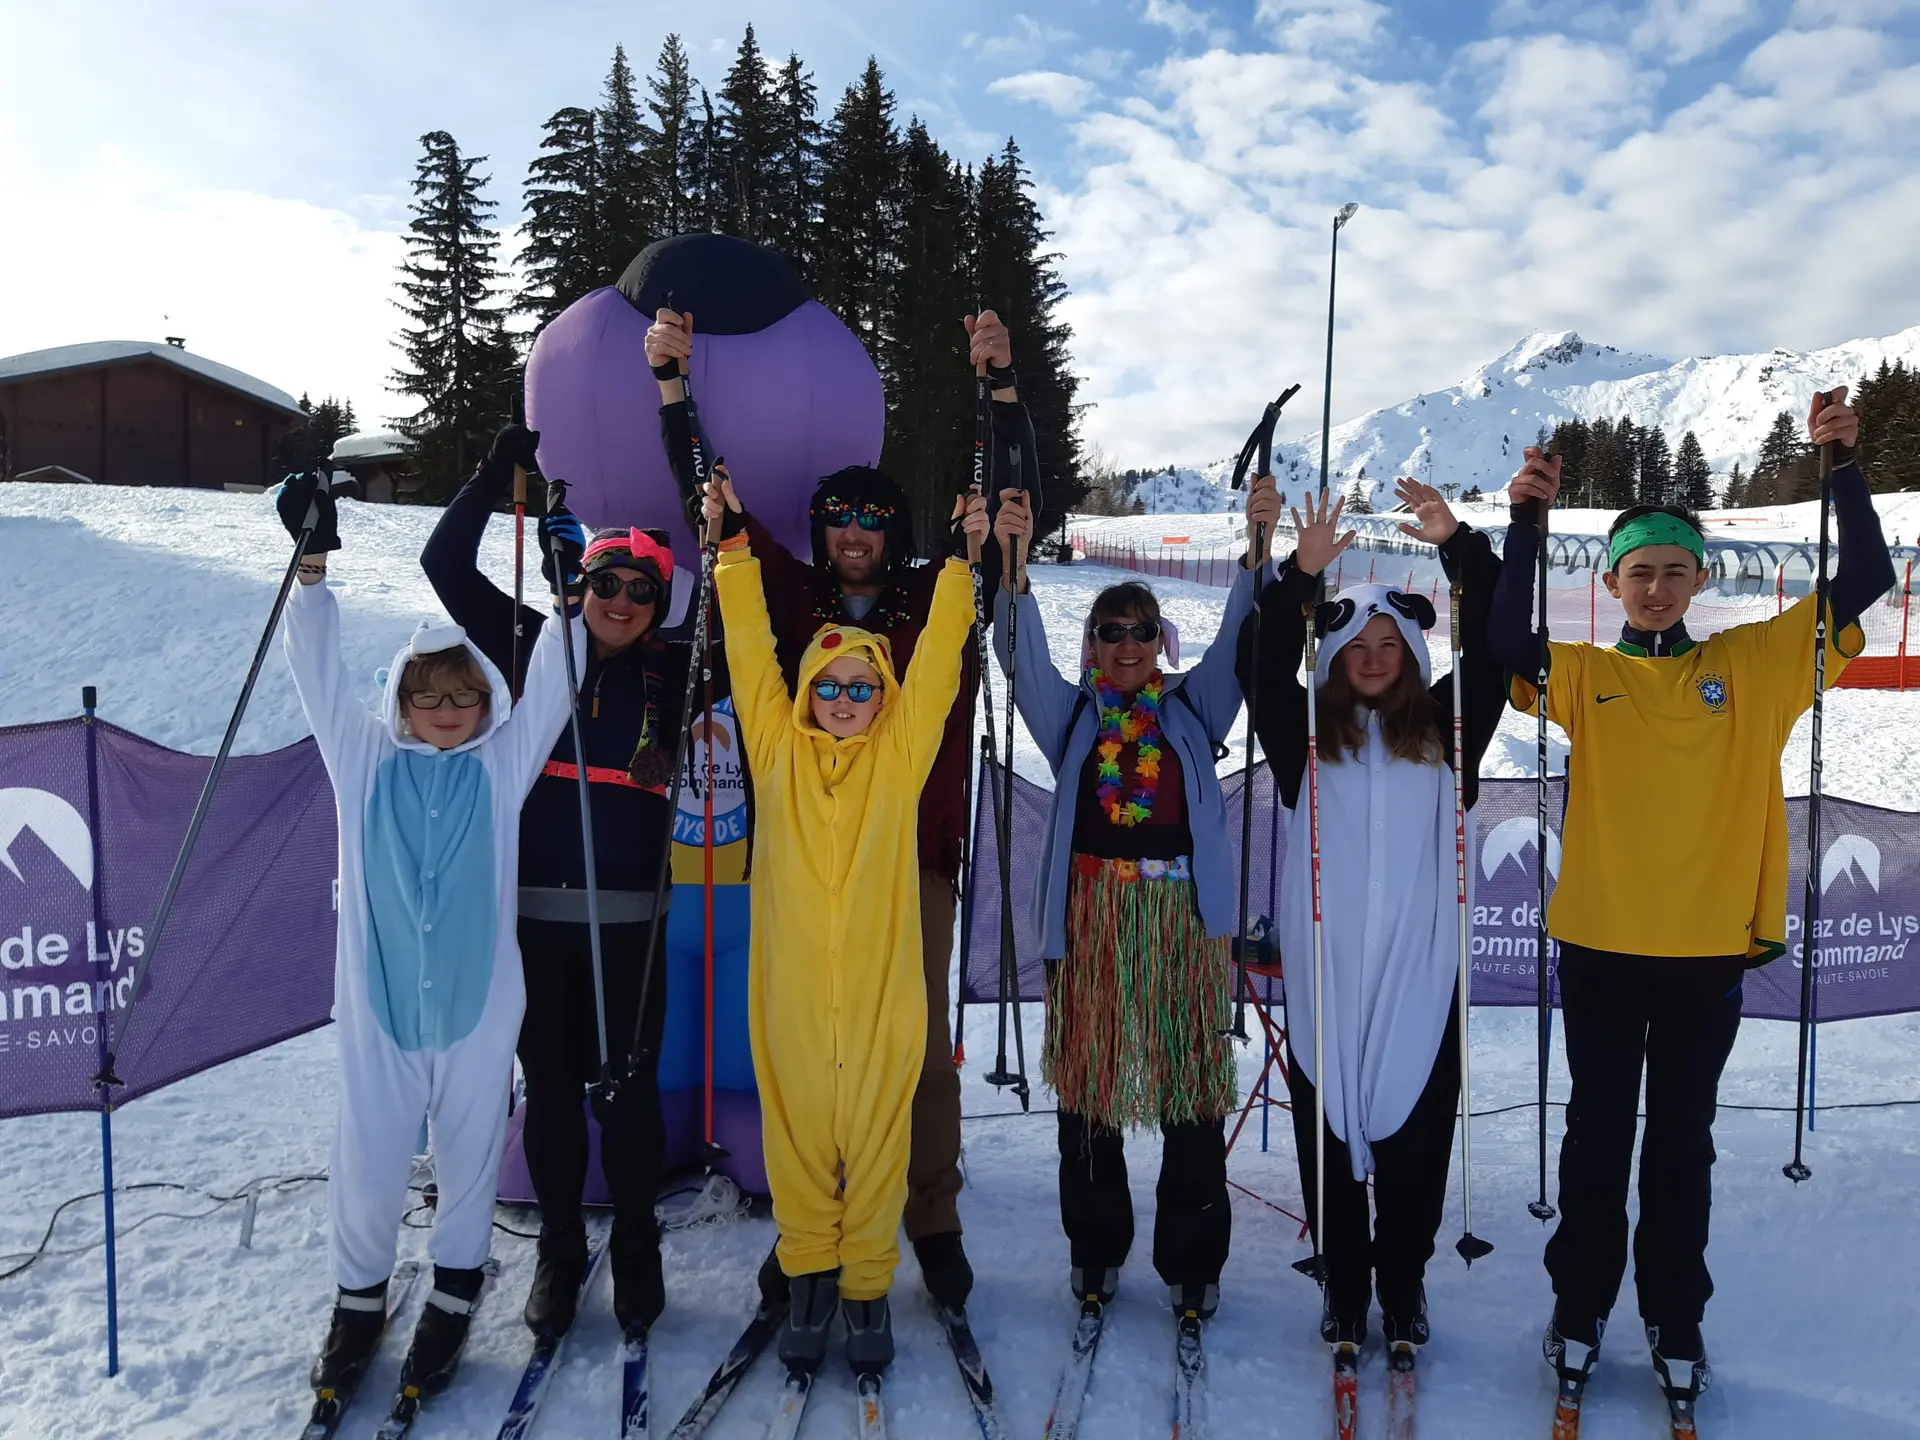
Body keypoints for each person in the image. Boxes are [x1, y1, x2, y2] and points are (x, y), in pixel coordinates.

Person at [1487, 388, 1895, 1407]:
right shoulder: (1587, 675)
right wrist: (1527, 520)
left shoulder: (1755, 664)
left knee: (1680, 1145)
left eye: (1675, 570)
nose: (1658, 588)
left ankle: (1676, 1315)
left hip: (1707, 950)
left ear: (1700, 578)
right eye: (1640, 572)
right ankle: (1579, 1309)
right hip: (1600, 946)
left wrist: (1844, 469)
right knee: (1596, 1138)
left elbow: (1866, 580)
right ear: (1612, 584)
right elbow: (1504, 642)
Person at [646, 306, 1036, 1309]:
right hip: (807, 861)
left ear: (893, 532)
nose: (854, 533)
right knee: (807, 1048)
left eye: (871, 519)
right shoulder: (795, 596)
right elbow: (716, 513)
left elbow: (1001, 501)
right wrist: (672, 389)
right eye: (838, 518)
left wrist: (999, 388)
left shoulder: (933, 595)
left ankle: (930, 1217)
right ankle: (809, 1228)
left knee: (915, 1050)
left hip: (913, 853)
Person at [284, 470, 583, 1400]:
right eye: (429, 696)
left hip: (478, 1008)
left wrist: (569, 603)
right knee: (371, 1157)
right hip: (378, 1009)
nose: (448, 711)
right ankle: (357, 1302)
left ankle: (455, 1291)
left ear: (486, 702)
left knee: (467, 1152)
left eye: (464, 695)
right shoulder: (362, 760)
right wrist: (311, 571)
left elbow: (553, 691)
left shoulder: (500, 768)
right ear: (403, 703)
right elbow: (317, 678)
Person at [703, 466, 983, 1375]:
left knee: (875, 1135)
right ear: (807, 690)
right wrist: (731, 550)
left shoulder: (899, 762)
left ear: (885, 699)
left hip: (876, 1002)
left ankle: (866, 1283)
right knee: (795, 1136)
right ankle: (806, 1271)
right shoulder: (775, 751)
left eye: (864, 689)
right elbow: (751, 650)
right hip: (791, 999)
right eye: (830, 686)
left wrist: (961, 566)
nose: (846, 701)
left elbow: (936, 665)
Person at [420, 427, 689, 1343]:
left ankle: (639, 1245)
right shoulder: (535, 641)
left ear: (660, 603)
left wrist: (718, 513)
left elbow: (756, 619)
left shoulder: (681, 667)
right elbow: (444, 564)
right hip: (536, 922)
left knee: (631, 1093)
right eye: (606, 582)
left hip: (632, 927)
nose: (620, 601)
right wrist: (493, 473)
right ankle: (562, 1248)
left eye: (642, 589)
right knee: (554, 1089)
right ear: (581, 582)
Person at [986, 475, 1276, 1323]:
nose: (1126, 645)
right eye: (1109, 632)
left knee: (1191, 1090)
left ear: (1160, 641)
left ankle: (1193, 1259)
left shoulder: (1193, 709)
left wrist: (1257, 556)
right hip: (1090, 921)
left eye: (1141, 631)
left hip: (1180, 923)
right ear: (1091, 645)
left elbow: (1240, 644)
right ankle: (1095, 1247)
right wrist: (1013, 570)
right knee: (1089, 1091)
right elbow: (1020, 661)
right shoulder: (1072, 718)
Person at [1240, 482, 1507, 1352]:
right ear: (1334, 653)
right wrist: (1300, 574)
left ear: (1415, 655)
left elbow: (1495, 643)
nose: (1375, 656)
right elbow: (1258, 666)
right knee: (1327, 1129)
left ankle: (1404, 1283)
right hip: (1332, 969)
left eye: (1391, 644)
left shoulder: (1449, 730)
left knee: (1418, 1135)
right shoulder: (1305, 739)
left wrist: (1457, 545)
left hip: (1420, 970)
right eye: (1357, 643)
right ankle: (1346, 1287)